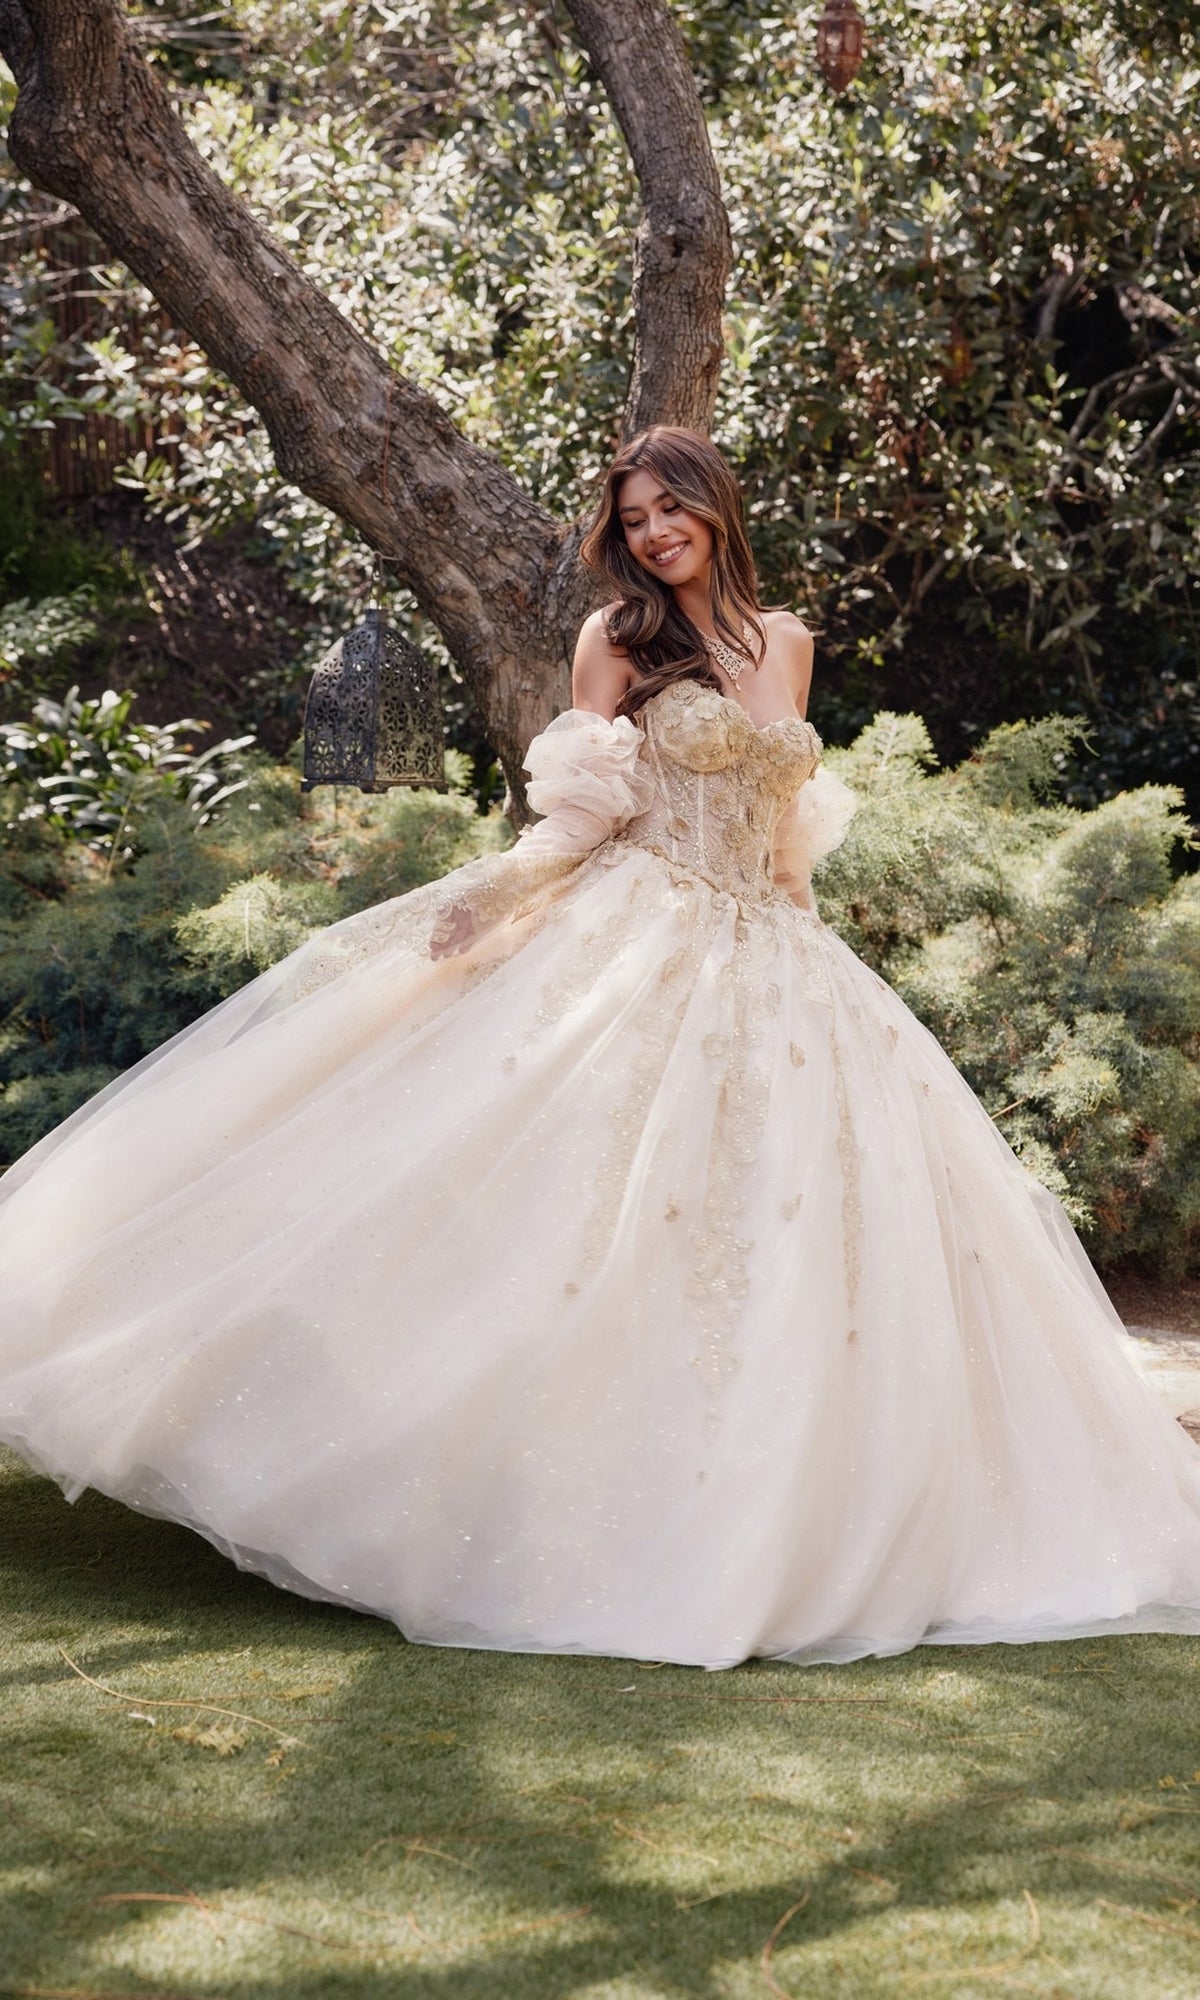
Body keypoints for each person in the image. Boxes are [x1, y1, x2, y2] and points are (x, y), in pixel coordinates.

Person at [1, 425, 1199, 1670]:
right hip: (643, 925)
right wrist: (492, 901)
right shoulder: (618, 638)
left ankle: (771, 1500)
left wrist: (820, 951)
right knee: (578, 1197)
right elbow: (577, 814)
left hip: (781, 954)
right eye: (634, 518)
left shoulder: (786, 639)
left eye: (672, 506)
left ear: (716, 507)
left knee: (792, 1219)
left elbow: (785, 831)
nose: (655, 531)